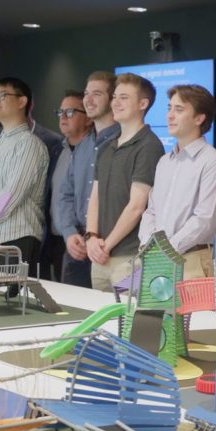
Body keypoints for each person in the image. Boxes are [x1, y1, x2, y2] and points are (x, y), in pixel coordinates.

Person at [138, 84, 216, 279]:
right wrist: (149, 245)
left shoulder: (213, 163)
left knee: (189, 311)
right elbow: (152, 210)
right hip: (157, 261)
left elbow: (204, 219)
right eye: (169, 108)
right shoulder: (164, 162)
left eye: (179, 109)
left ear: (199, 118)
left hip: (192, 262)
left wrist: (165, 250)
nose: (170, 116)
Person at [84, 73, 164, 291]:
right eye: (115, 97)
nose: (116, 103)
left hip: (129, 256)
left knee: (126, 322)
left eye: (124, 97)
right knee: (100, 321)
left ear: (143, 103)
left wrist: (106, 245)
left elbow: (137, 205)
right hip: (99, 255)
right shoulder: (107, 147)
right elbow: (95, 197)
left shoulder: (149, 146)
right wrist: (91, 237)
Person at [0, 77, 49, 273]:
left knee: (10, 300)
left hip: (18, 237)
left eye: (2, 96)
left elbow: (13, 193)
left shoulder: (29, 143)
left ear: (22, 102)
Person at [54, 71, 121, 287]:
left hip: (110, 249)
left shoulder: (125, 143)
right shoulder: (82, 146)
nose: (88, 100)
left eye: (97, 94)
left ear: (113, 100)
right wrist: (69, 233)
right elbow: (65, 194)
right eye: (86, 93)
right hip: (76, 247)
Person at [43, 89, 89, 281]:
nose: (63, 117)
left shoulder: (94, 152)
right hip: (53, 237)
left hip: (79, 240)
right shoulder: (56, 150)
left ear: (88, 118)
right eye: (60, 112)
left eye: (70, 112)